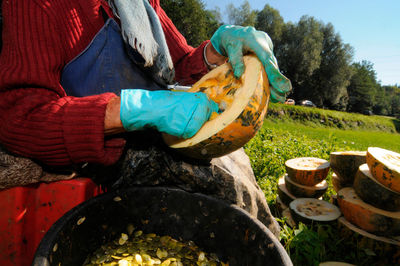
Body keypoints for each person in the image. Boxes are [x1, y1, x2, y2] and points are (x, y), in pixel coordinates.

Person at [0, 0, 291, 235]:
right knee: (227, 192)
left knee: (236, 162)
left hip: (151, 129)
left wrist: (213, 53)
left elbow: (177, 64)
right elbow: (19, 114)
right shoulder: (36, 5)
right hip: (96, 149)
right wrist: (130, 110)